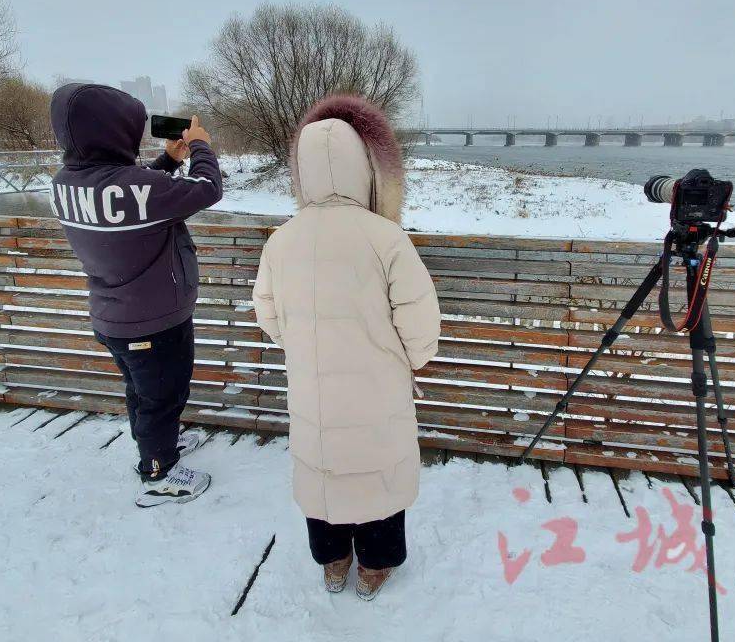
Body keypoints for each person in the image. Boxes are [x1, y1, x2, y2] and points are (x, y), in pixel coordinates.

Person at [253, 95, 441, 601]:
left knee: (323, 471)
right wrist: (404, 360)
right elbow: (421, 325)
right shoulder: (387, 238)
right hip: (377, 391)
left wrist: (304, 348)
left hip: (312, 389)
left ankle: (333, 562)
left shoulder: (282, 240)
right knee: (376, 471)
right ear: (365, 166)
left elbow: (267, 312)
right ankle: (376, 566)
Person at [48, 83, 223, 508]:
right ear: (114, 133)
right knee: (163, 396)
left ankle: (160, 446)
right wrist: (199, 146)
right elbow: (207, 188)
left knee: (143, 392)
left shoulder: (63, 183)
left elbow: (130, 193)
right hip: (155, 321)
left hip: (115, 319)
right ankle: (159, 472)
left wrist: (167, 160)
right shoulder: (137, 188)